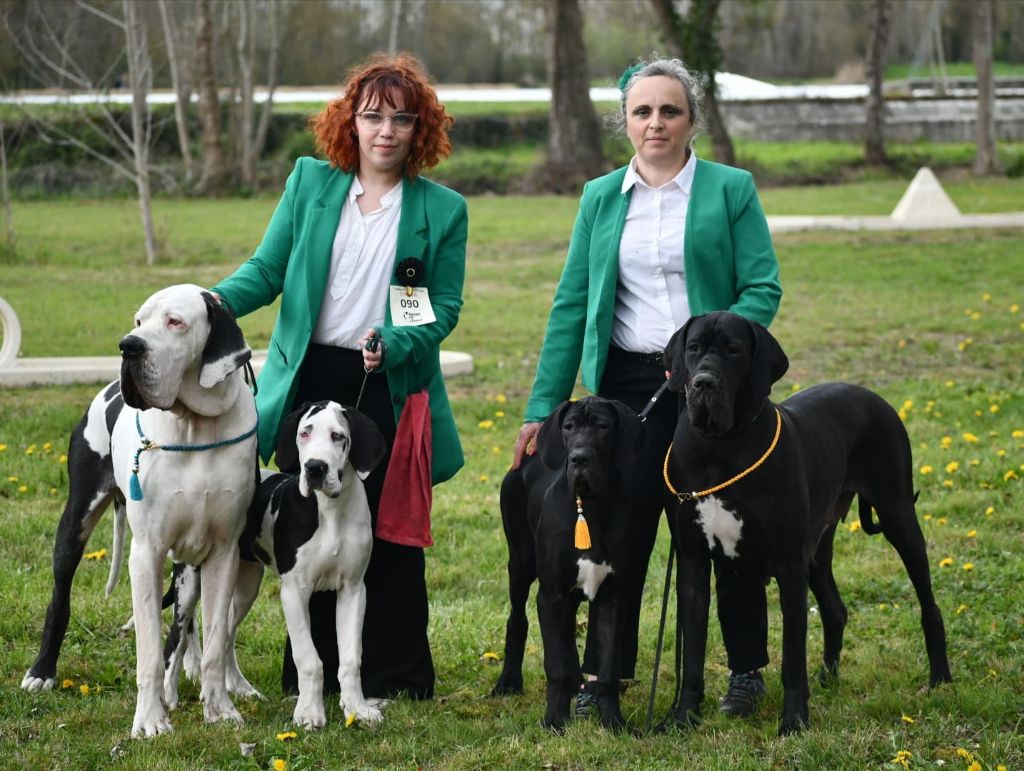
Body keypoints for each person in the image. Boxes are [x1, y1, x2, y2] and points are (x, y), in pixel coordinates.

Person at [512, 55, 782, 718]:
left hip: (710, 383)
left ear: (692, 120)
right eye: (642, 111)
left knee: (725, 525)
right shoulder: (600, 197)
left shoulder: (730, 189)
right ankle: (609, 673)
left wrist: (708, 355)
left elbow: (762, 286)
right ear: (625, 121)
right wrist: (544, 407)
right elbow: (571, 303)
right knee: (619, 527)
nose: (655, 122)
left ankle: (745, 668)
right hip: (629, 388)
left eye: (670, 110)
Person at [212, 52, 468, 701]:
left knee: (382, 534)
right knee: (306, 530)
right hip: (308, 377)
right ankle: (311, 677)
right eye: (373, 116)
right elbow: (267, 271)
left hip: (382, 380)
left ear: (420, 130)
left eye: (402, 119)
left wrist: (397, 338)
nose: (386, 130)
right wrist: (202, 305)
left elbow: (435, 308)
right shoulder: (310, 183)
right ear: (349, 121)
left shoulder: (438, 210)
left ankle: (393, 676)